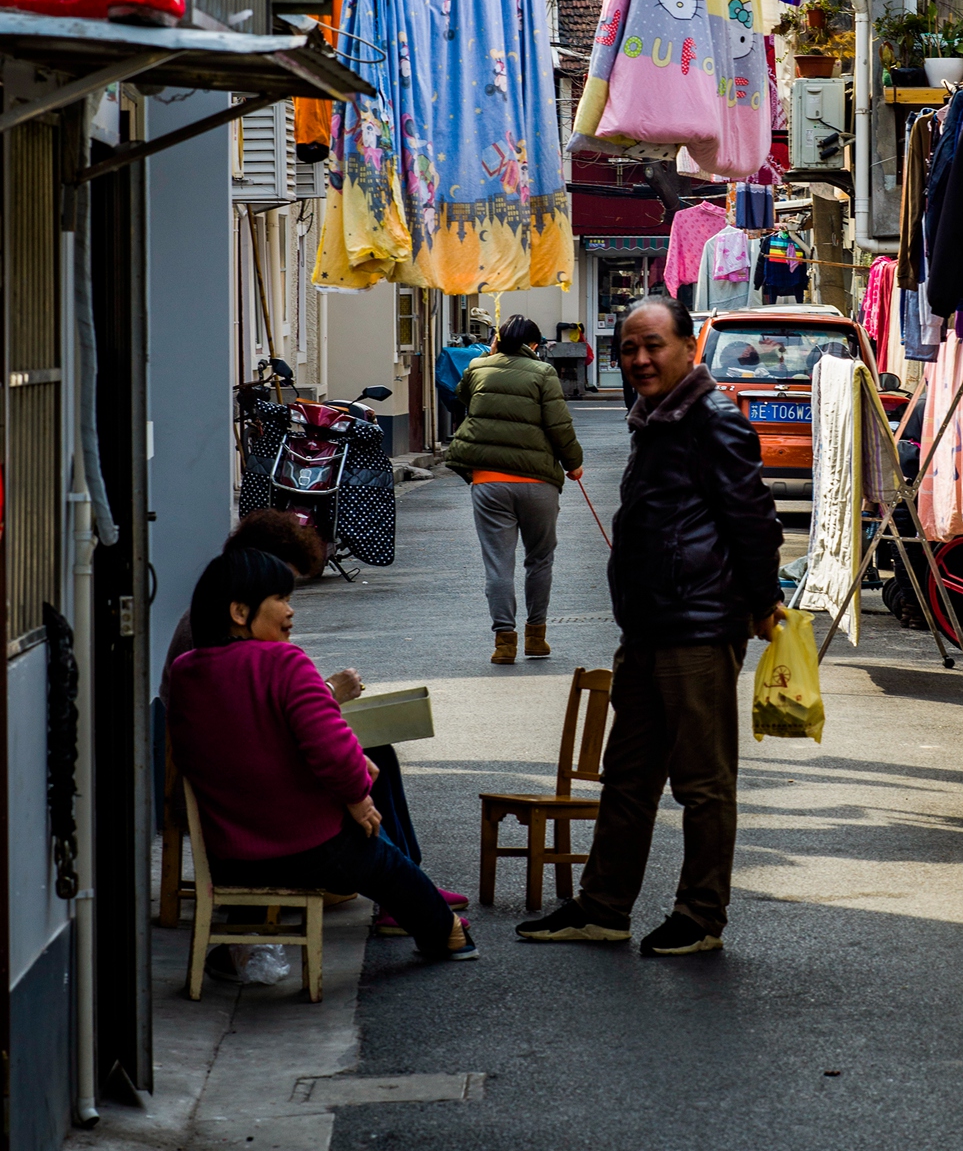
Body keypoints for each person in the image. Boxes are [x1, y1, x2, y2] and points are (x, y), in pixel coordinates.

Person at [518, 294, 784, 958]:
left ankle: (700, 916)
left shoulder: (711, 418)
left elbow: (752, 520)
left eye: (652, 345)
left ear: (688, 349)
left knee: (702, 783)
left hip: (696, 628)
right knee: (629, 776)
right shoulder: (656, 419)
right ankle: (603, 907)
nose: (638, 358)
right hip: (649, 628)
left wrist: (761, 602)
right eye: (628, 348)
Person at [167, 548, 475, 962]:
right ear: (240, 612)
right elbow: (332, 751)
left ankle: (234, 949)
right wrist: (358, 796)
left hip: (229, 856)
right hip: (308, 851)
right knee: (382, 858)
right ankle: (446, 935)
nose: (291, 612)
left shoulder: (186, 671)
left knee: (369, 841)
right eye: (282, 600)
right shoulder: (283, 661)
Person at [445, 314, 584, 665]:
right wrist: (573, 463)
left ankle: (504, 642)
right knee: (540, 559)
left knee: (498, 564)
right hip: (538, 483)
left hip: (489, 482)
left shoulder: (478, 367)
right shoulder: (542, 373)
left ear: (498, 339)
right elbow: (559, 423)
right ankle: (536, 637)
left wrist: (491, 355)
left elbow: (462, 396)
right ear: (534, 345)